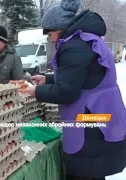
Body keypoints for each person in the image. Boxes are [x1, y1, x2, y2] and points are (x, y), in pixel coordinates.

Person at [21, 0, 126, 179]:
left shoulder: (74, 45)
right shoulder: (86, 39)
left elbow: (67, 91)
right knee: (94, 171)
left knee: (85, 170)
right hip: (102, 113)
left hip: (90, 116)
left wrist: (35, 92)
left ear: (58, 29)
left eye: (50, 35)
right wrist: (47, 79)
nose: (50, 40)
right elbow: (82, 77)